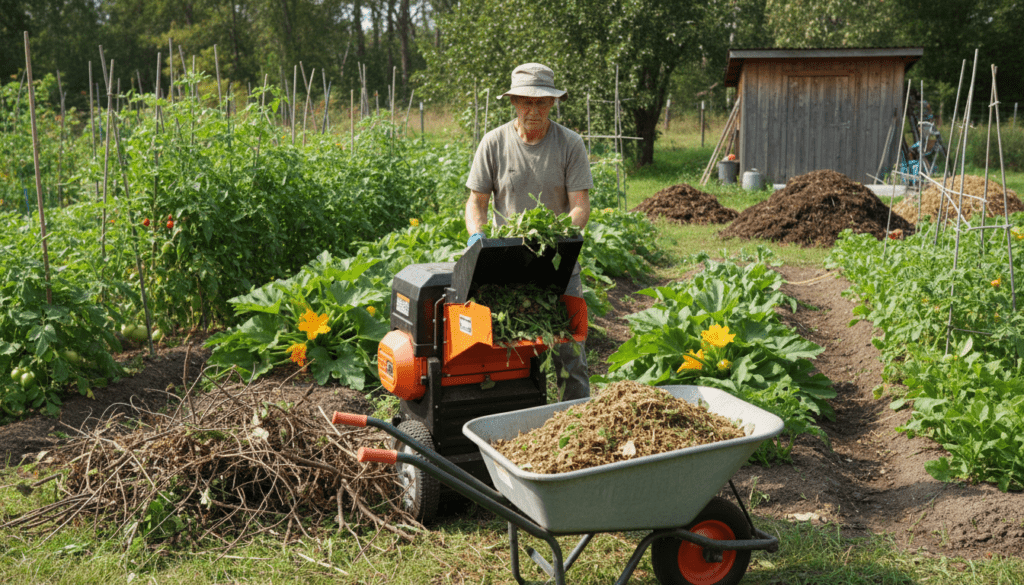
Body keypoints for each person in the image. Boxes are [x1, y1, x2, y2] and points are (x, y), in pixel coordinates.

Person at [464, 62, 593, 401]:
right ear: (513, 102)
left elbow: (580, 204)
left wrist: (558, 236)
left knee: (570, 353)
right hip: (505, 262)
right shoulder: (493, 143)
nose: (532, 110)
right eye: (525, 102)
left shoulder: (570, 144)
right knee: (508, 348)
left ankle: (575, 420)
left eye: (541, 103)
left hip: (556, 262)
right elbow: (476, 202)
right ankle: (517, 412)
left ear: (552, 103)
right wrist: (477, 236)